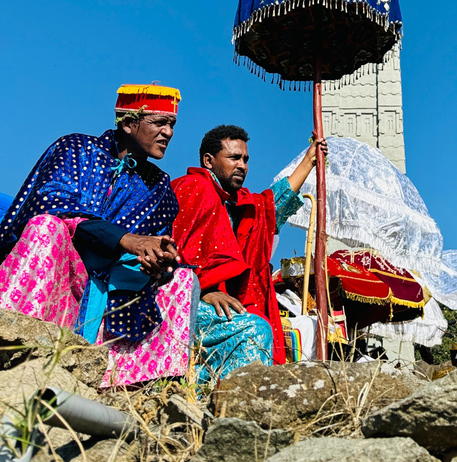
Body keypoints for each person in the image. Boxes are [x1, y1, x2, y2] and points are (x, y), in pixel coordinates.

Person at [0, 84, 198, 388]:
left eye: (171, 125)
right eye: (160, 123)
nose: (168, 133)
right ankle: (15, 339)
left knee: (183, 280)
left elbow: (155, 248)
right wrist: (127, 239)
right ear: (130, 123)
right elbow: (52, 205)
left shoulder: (161, 189)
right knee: (46, 227)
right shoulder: (76, 149)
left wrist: (159, 263)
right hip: (64, 268)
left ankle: (129, 384)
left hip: (119, 291)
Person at [171, 125, 326, 382]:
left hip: (221, 303)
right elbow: (171, 251)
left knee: (255, 326)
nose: (242, 165)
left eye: (245, 159)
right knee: (255, 329)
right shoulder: (192, 188)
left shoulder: (240, 204)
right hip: (182, 302)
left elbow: (274, 206)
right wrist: (205, 288)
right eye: (234, 158)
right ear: (208, 160)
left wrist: (310, 160)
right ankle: (231, 406)